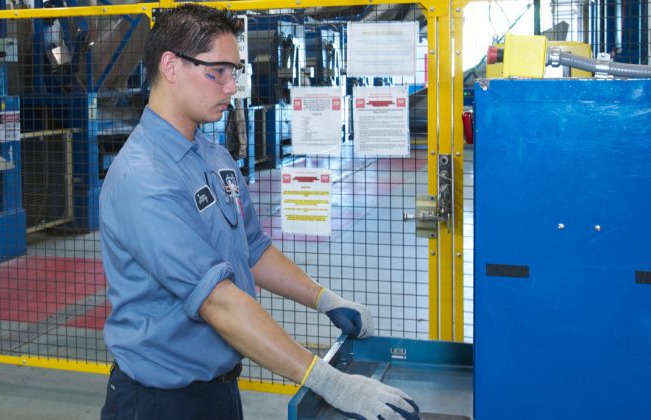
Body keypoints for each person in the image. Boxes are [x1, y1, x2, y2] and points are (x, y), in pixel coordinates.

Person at [98, 4, 420, 420]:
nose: (232, 87)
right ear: (171, 67)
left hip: (220, 390)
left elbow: (253, 248)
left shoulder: (214, 157)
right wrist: (329, 381)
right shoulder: (144, 178)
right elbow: (218, 301)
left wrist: (323, 299)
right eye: (219, 71)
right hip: (159, 402)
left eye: (236, 72)